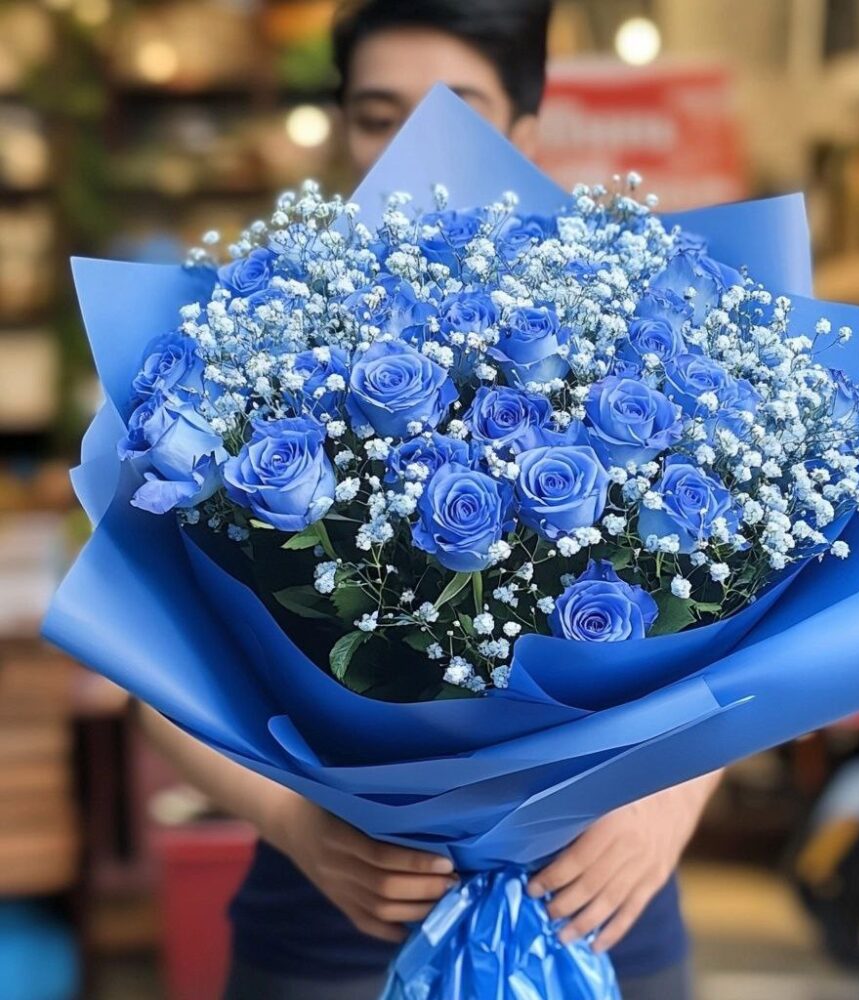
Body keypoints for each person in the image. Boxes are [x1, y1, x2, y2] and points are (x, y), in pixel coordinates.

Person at [141, 3, 722, 998]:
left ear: (529, 131)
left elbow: (752, 625)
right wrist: (296, 825)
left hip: (599, 907)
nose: (414, 144)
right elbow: (148, 664)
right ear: (340, 128)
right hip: (331, 919)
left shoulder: (645, 324)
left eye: (461, 110)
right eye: (377, 115)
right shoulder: (237, 339)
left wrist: (667, 803)